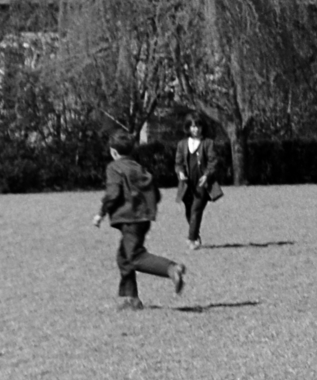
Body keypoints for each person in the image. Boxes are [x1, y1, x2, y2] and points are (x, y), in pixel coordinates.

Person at [91, 129, 185, 308]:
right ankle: (132, 300)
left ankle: (171, 268)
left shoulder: (114, 167)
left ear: (113, 152)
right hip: (143, 219)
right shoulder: (138, 167)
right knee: (123, 257)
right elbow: (155, 193)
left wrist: (100, 214)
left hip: (129, 219)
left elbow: (113, 193)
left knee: (134, 256)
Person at [174, 113, 224, 250]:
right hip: (186, 184)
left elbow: (213, 162)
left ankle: (191, 239)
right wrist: (180, 173)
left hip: (202, 182)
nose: (195, 129)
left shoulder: (208, 143)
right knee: (189, 211)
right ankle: (195, 235)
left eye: (198, 126)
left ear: (202, 127)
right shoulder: (182, 144)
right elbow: (178, 163)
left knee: (196, 209)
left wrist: (207, 175)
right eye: (193, 126)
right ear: (188, 128)